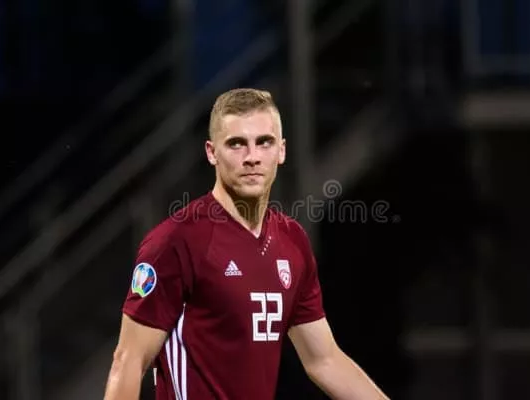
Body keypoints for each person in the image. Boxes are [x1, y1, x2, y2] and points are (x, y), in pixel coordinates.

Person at [103, 88, 390, 400]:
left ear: (281, 151)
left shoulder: (292, 241)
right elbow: (128, 361)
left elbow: (325, 360)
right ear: (212, 152)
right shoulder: (176, 242)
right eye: (236, 144)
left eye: (264, 142)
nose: (252, 157)